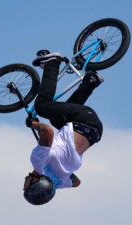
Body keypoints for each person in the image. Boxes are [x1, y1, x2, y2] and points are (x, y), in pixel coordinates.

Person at [23, 50, 104, 205]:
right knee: (42, 106)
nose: (23, 186)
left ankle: (91, 81)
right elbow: (47, 131)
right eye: (26, 188)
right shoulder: (38, 162)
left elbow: (77, 182)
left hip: (94, 132)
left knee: (56, 119)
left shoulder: (60, 183)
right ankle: (52, 63)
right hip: (83, 120)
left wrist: (62, 169)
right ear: (35, 183)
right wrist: (33, 124)